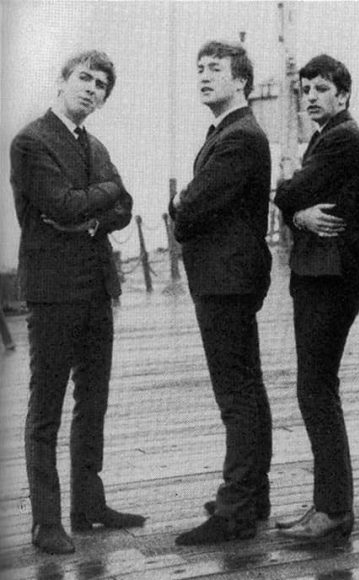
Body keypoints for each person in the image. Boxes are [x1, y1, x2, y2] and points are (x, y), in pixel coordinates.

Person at [10, 50, 145, 555]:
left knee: (93, 402)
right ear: (62, 81)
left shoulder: (96, 145)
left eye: (101, 85)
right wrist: (101, 197)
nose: (92, 89)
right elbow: (59, 203)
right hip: (52, 293)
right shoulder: (31, 141)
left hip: (95, 289)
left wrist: (92, 212)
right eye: (84, 79)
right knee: (45, 408)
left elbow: (124, 207)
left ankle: (88, 504)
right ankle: (46, 521)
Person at [169, 40, 272, 545]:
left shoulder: (239, 137)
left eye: (215, 69)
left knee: (237, 394)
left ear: (241, 81)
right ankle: (251, 494)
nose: (204, 75)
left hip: (225, 280)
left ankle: (236, 509)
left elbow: (191, 212)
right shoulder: (230, 132)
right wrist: (184, 202)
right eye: (200, 67)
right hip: (229, 278)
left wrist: (178, 204)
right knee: (245, 389)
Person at [274, 55, 359, 540]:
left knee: (316, 390)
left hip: (330, 278)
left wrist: (290, 202)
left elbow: (288, 191)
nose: (310, 96)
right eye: (305, 89)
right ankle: (328, 504)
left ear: (343, 94)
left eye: (320, 88)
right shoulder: (327, 137)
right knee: (316, 388)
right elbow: (299, 202)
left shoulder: (343, 139)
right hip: (323, 273)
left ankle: (333, 510)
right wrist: (298, 215)